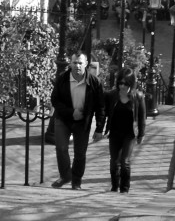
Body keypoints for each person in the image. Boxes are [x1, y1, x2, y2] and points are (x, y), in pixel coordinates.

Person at [49, 51, 105, 189]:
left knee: (80, 153)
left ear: (86, 64)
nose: (77, 66)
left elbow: (100, 106)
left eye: (80, 63)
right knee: (61, 148)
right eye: (74, 62)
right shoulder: (62, 79)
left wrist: (99, 128)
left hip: (82, 122)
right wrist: (71, 112)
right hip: (63, 118)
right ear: (70, 63)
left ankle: (76, 181)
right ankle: (65, 175)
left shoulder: (94, 82)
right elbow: (55, 100)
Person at [99, 68, 146, 193]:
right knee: (114, 163)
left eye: (125, 83)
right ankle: (114, 187)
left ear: (131, 83)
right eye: (120, 83)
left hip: (129, 134)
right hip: (114, 133)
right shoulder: (112, 95)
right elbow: (103, 112)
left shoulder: (138, 97)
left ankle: (124, 188)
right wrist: (101, 129)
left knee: (125, 162)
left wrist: (141, 134)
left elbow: (141, 118)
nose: (122, 86)